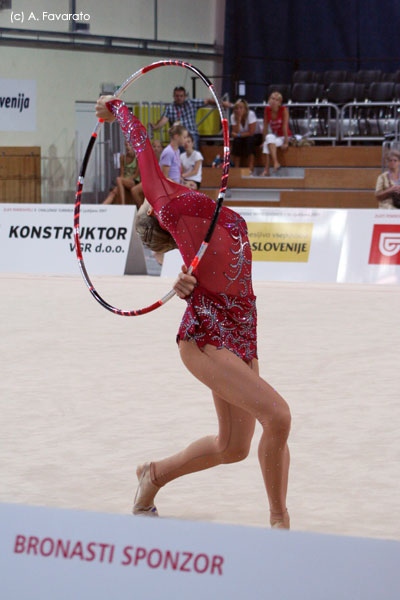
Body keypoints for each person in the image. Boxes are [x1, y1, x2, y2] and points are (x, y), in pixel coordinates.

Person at [95, 95, 291, 530]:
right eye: (148, 201)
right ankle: (281, 524)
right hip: (206, 335)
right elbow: (143, 151)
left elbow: (210, 267)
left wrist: (189, 280)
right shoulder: (168, 204)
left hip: (241, 328)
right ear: (154, 217)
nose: (151, 194)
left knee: (233, 446)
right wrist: (118, 108)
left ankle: (154, 475)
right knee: (277, 416)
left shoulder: (195, 218)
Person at [150, 86, 230, 150]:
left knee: (193, 152)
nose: (179, 98)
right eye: (177, 96)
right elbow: (164, 119)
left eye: (181, 96)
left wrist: (221, 103)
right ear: (174, 96)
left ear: (185, 96)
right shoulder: (170, 107)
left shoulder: (191, 103)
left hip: (191, 134)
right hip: (177, 136)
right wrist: (155, 127)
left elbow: (208, 101)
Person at [262, 91, 292, 176]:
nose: (274, 101)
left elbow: (285, 126)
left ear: (280, 103)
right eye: (272, 98)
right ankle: (275, 163)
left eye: (276, 99)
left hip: (285, 136)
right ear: (268, 100)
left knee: (267, 143)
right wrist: (262, 140)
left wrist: (286, 142)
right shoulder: (267, 110)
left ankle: (267, 170)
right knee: (267, 140)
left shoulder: (283, 110)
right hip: (276, 136)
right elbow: (265, 127)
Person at [103, 140, 142, 205]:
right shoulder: (122, 158)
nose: (127, 147)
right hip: (124, 181)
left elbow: (136, 175)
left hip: (134, 181)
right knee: (113, 192)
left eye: (129, 145)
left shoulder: (138, 157)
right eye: (126, 145)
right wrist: (120, 185)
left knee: (118, 179)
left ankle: (123, 205)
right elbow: (122, 174)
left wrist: (124, 181)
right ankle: (101, 208)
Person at [230, 99, 260, 175]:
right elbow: (234, 132)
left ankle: (251, 169)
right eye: (236, 108)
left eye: (241, 108)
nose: (238, 110)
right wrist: (239, 120)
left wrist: (238, 135)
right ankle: (236, 169)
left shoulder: (251, 114)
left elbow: (251, 132)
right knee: (237, 141)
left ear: (245, 109)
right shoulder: (233, 116)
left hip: (256, 136)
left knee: (249, 141)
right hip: (242, 137)